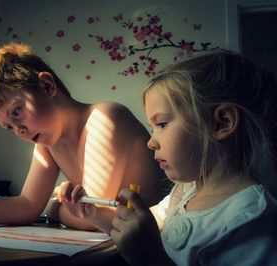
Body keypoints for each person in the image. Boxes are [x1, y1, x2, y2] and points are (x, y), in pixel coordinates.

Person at [0, 42, 164, 233]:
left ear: (47, 87)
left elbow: (89, 218)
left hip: (160, 243)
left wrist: (52, 208)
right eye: (9, 127)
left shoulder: (105, 118)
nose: (19, 131)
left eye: (17, 112)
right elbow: (26, 206)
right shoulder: (46, 143)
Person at [108, 50, 277, 265]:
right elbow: (137, 229)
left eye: (161, 125)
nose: (150, 142)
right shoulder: (185, 191)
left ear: (221, 123)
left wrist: (151, 259)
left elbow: (146, 247)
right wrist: (91, 213)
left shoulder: (251, 217)